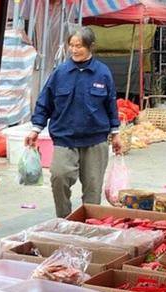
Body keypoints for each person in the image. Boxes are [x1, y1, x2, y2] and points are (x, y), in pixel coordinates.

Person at [25, 26, 122, 218]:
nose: (75, 50)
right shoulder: (60, 73)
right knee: (59, 177)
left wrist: (116, 133)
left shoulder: (102, 73)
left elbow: (111, 104)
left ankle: (90, 226)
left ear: (90, 47)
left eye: (80, 46)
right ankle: (64, 220)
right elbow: (45, 102)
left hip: (95, 140)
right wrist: (35, 129)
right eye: (72, 45)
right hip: (65, 138)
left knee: (93, 188)